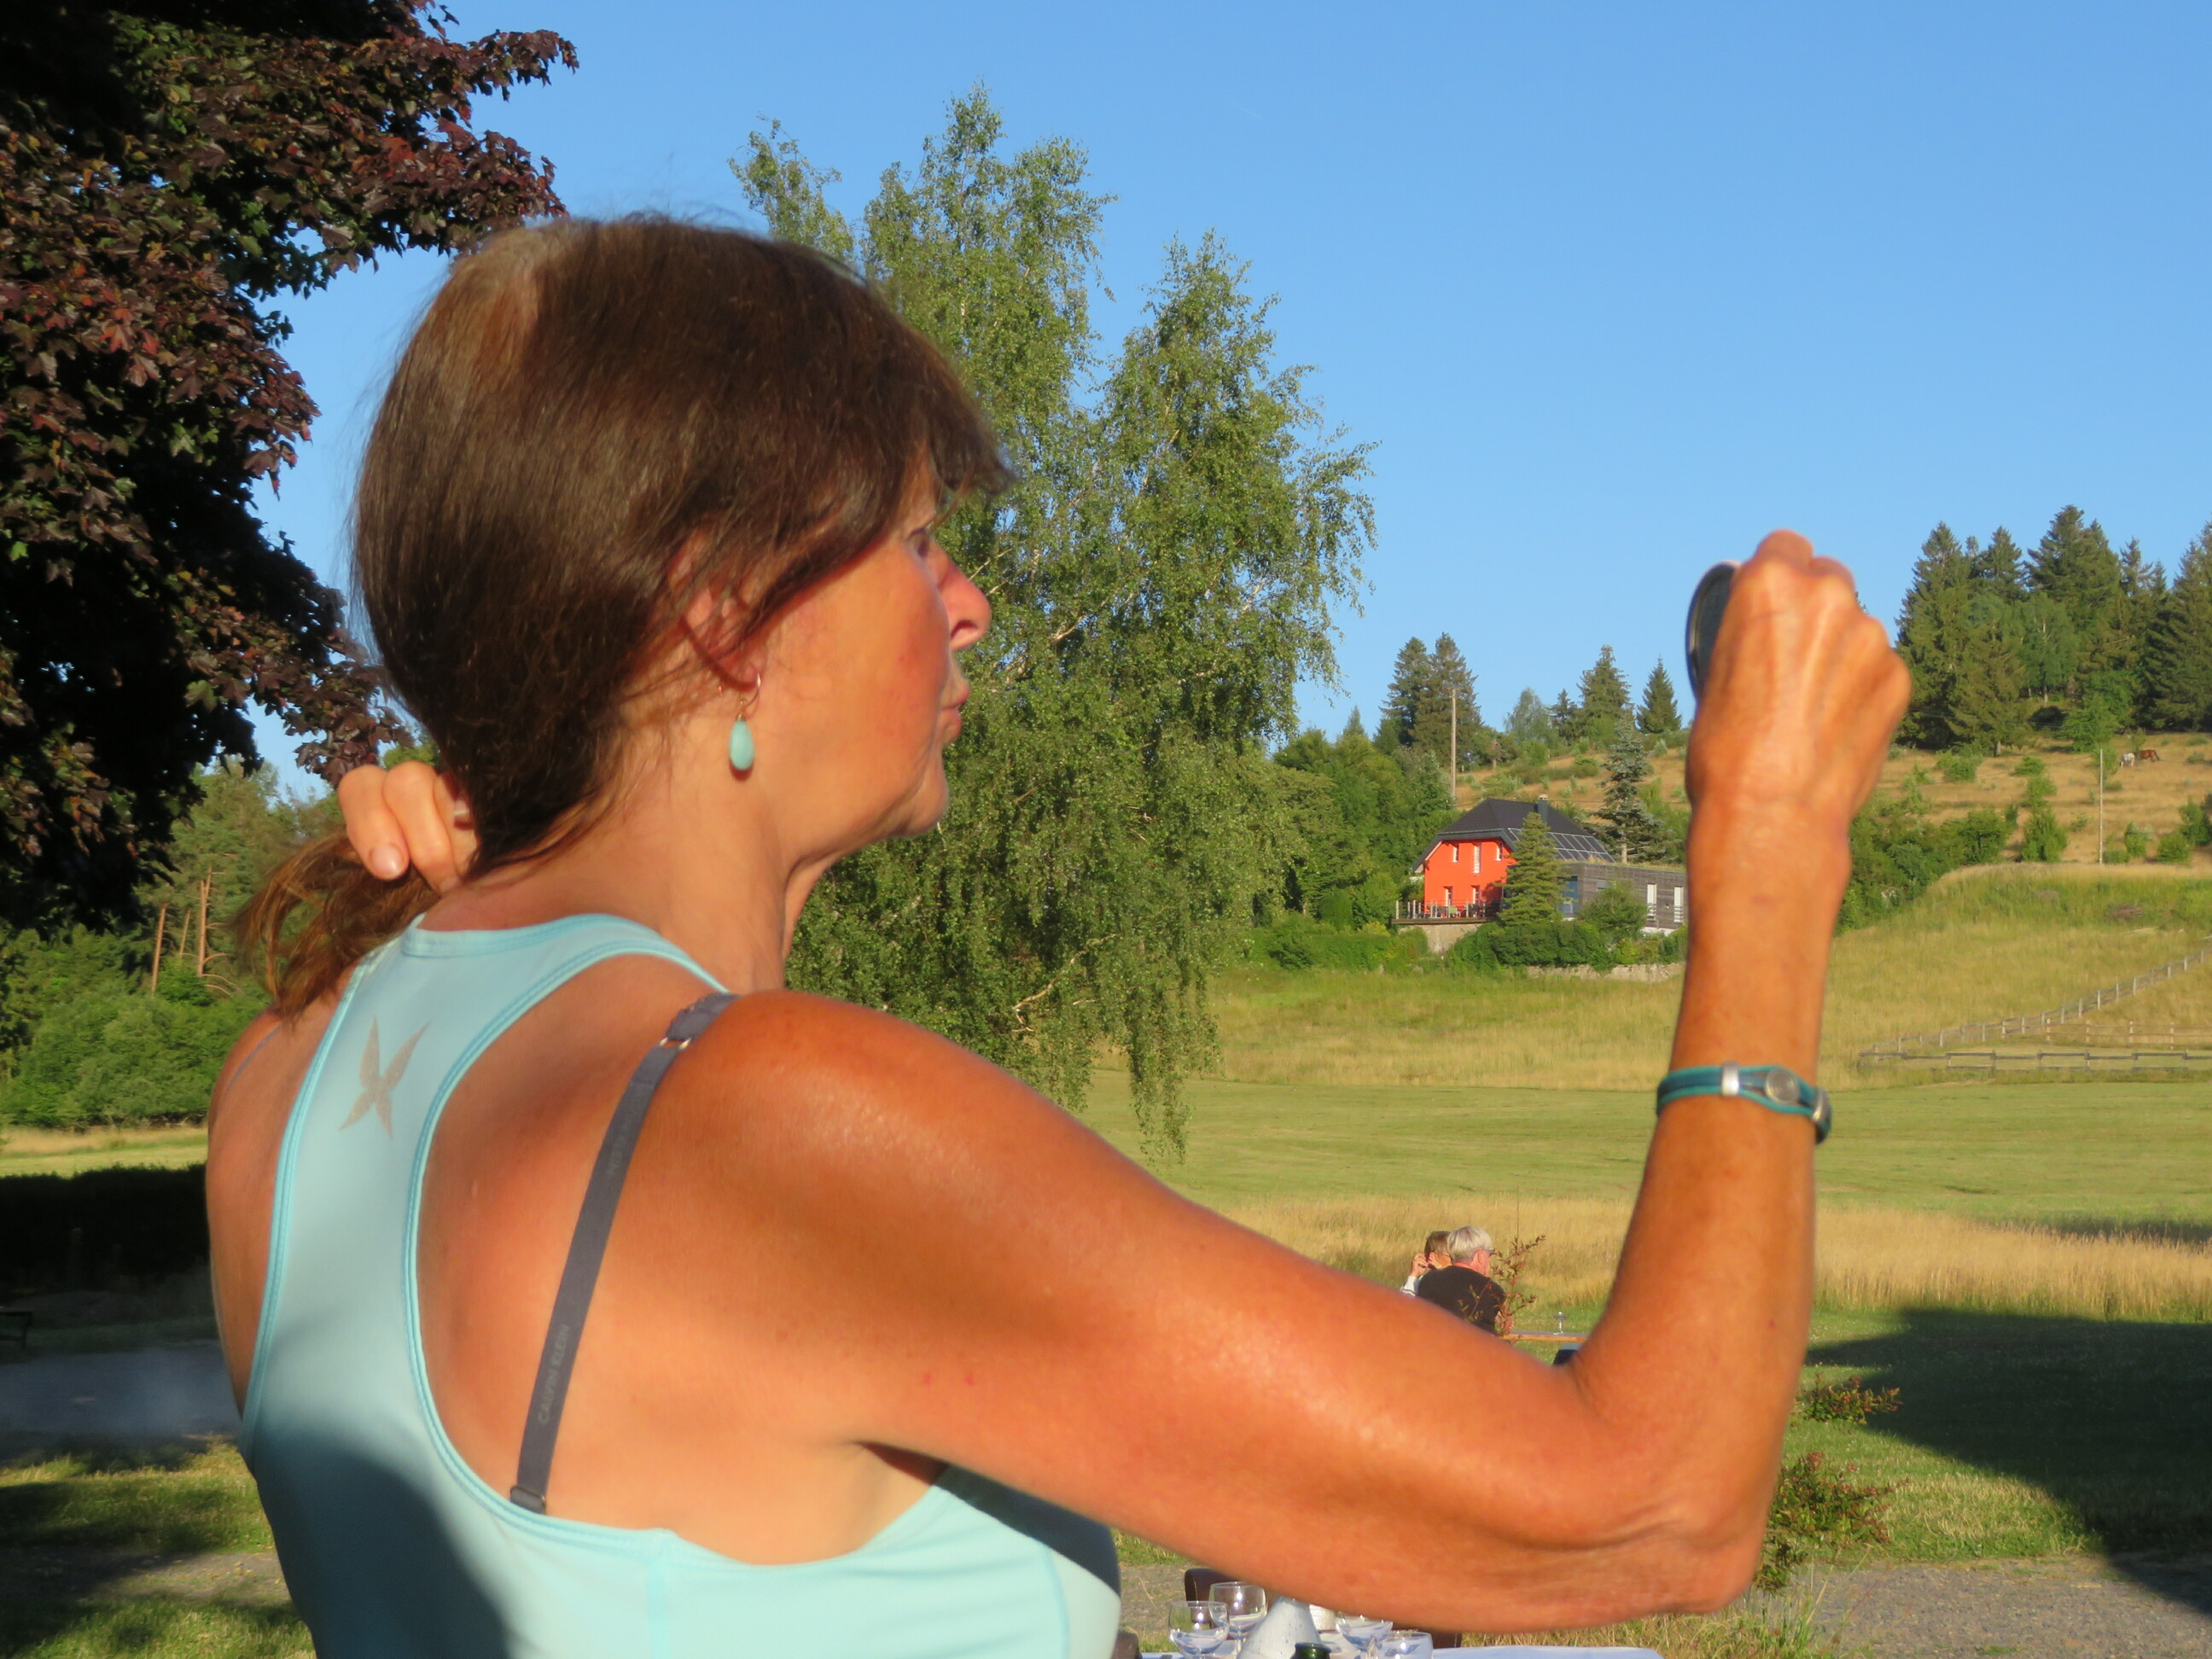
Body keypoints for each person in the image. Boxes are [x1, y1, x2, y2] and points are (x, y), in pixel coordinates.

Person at [207, 215, 1908, 1657]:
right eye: (915, 540)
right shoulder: (767, 1122)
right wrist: (1768, 842)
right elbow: (1648, 1502)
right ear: (726, 608)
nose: (968, 603)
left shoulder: (292, 1074)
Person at [1413, 1226, 1508, 1334]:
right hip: (1473, 1344)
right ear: (1480, 1255)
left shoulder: (1428, 1279)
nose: (1489, 1259)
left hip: (1432, 1342)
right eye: (1489, 1254)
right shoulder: (1491, 1289)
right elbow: (1506, 1324)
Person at [1400, 1230, 1454, 1295]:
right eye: (1452, 1257)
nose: (1458, 1261)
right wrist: (1414, 1275)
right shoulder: (1424, 1283)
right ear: (1433, 1257)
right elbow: (1406, 1300)